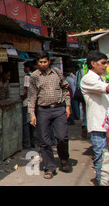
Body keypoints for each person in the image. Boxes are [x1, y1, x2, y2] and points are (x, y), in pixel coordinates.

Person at [28, 51, 72, 179]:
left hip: (59, 109)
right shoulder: (34, 76)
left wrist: (68, 105)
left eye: (45, 62)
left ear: (49, 62)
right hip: (43, 110)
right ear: (37, 63)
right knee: (45, 141)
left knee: (62, 137)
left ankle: (64, 159)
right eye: (40, 62)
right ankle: (50, 168)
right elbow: (32, 96)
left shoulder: (57, 72)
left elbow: (65, 89)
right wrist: (32, 114)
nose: (42, 64)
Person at [80, 50, 109, 186]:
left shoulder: (100, 78)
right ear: (93, 64)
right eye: (103, 63)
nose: (105, 66)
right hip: (98, 125)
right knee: (101, 158)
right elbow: (106, 89)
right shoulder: (88, 79)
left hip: (105, 124)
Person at [22, 60, 36, 149]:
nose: (23, 69)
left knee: (25, 123)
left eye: (25, 67)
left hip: (27, 103)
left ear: (28, 68)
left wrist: (22, 99)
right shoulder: (35, 76)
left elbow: (26, 91)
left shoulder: (27, 77)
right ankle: (33, 142)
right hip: (34, 102)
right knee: (32, 123)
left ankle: (27, 144)